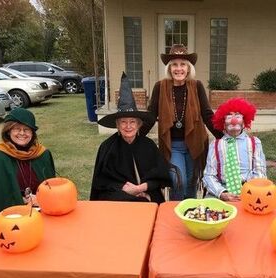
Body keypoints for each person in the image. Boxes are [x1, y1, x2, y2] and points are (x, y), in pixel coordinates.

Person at [141, 44, 223, 200]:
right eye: (174, 65)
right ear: (169, 68)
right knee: (179, 181)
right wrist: (137, 135)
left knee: (192, 182)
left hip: (195, 143)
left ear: (189, 67)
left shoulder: (196, 86)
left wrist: (223, 136)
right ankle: (175, 214)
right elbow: (151, 115)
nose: (179, 69)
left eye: (183, 64)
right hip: (173, 145)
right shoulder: (160, 87)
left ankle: (190, 214)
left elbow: (207, 114)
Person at [90, 72, 175, 204]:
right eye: (123, 122)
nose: (128, 126)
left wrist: (141, 188)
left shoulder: (149, 146)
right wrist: (124, 189)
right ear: (117, 125)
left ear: (139, 124)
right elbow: (101, 182)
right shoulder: (107, 147)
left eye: (132, 122)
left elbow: (161, 177)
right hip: (119, 196)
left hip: (148, 192)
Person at [0, 108, 56, 245]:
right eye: (17, 129)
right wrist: (21, 201)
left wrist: (42, 198)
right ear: (8, 131)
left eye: (27, 129)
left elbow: (51, 187)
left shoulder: (42, 155)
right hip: (12, 222)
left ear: (32, 133)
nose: (22, 133)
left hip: (41, 216)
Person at [203, 97, 267, 201]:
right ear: (223, 124)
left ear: (244, 122)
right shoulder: (215, 145)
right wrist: (222, 193)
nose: (233, 120)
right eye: (228, 117)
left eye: (238, 116)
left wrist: (250, 190)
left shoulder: (254, 142)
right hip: (222, 189)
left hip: (249, 189)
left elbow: (260, 171)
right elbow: (209, 175)